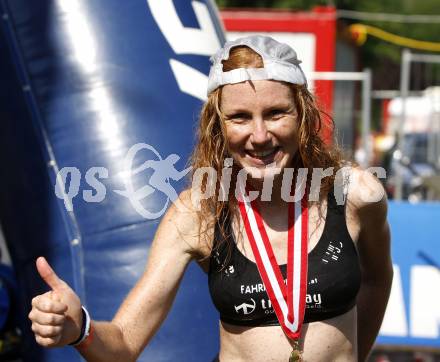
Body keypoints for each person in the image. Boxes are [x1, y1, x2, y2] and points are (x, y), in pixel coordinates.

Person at [28, 35, 393, 362]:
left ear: (303, 113)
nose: (260, 135)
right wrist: (80, 328)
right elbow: (123, 343)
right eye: (239, 118)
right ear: (217, 126)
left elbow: (376, 278)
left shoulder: (356, 194)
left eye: (276, 113)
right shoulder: (197, 213)